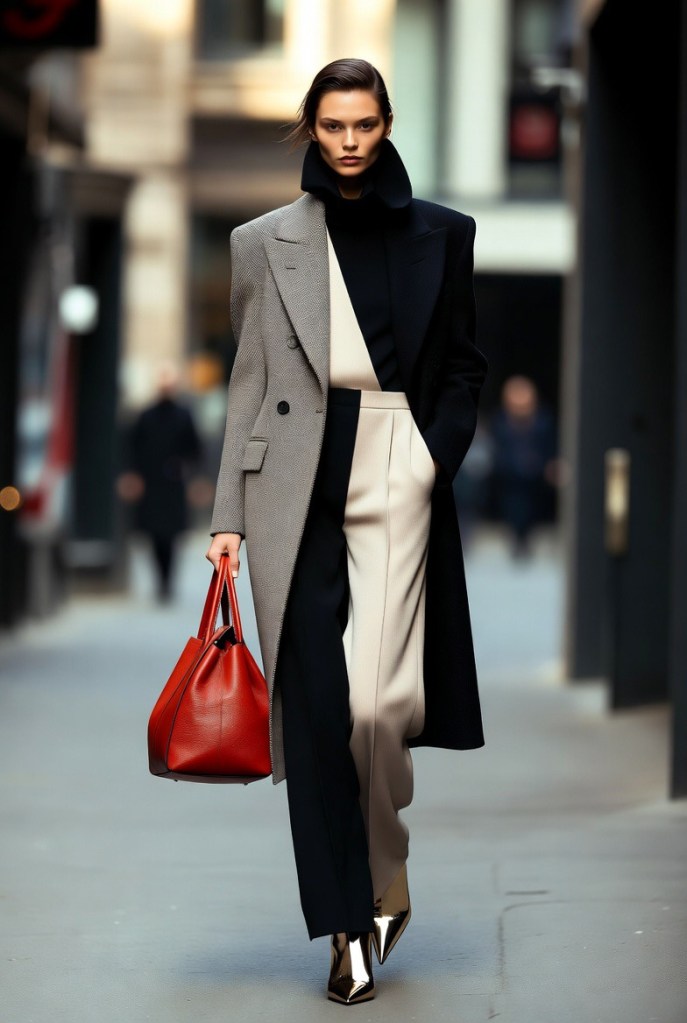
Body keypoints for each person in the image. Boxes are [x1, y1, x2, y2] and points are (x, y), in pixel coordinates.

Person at [206, 59, 487, 1004]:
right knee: (319, 712)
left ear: (386, 123)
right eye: (333, 126)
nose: (350, 142)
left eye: (364, 124)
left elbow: (463, 366)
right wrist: (227, 520)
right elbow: (248, 383)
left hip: (396, 463)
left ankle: (386, 867)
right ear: (310, 130)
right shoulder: (263, 241)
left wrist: (431, 457)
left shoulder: (445, 234)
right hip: (291, 481)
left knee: (376, 709)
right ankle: (346, 925)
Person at [123, 362, 201, 600]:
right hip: (151, 484)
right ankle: (161, 581)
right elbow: (133, 448)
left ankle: (167, 582)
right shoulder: (146, 416)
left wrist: (194, 478)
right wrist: (133, 477)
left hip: (174, 484)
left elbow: (194, 449)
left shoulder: (184, 415)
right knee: (155, 536)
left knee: (172, 537)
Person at [490, 375, 557, 558]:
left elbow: (549, 448)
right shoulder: (501, 422)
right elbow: (497, 451)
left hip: (536, 478)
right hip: (510, 477)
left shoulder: (543, 421)